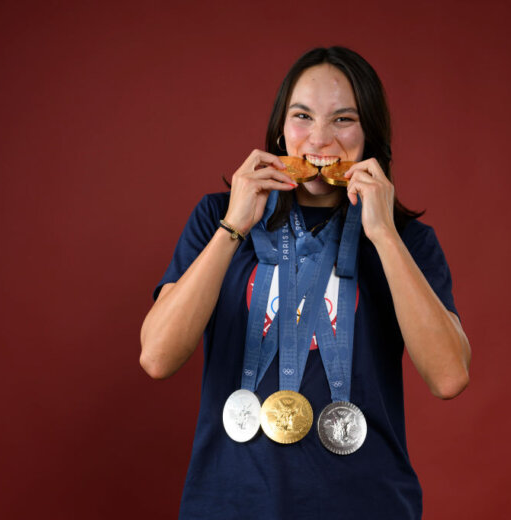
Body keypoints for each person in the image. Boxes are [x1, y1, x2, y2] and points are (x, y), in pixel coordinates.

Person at [140, 46, 471, 520]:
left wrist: (382, 234)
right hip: (230, 503)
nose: (320, 139)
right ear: (280, 129)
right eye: (302, 116)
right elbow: (156, 356)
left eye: (343, 120)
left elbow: (449, 377)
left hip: (367, 504)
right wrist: (234, 227)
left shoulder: (407, 242)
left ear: (369, 135)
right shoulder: (217, 217)